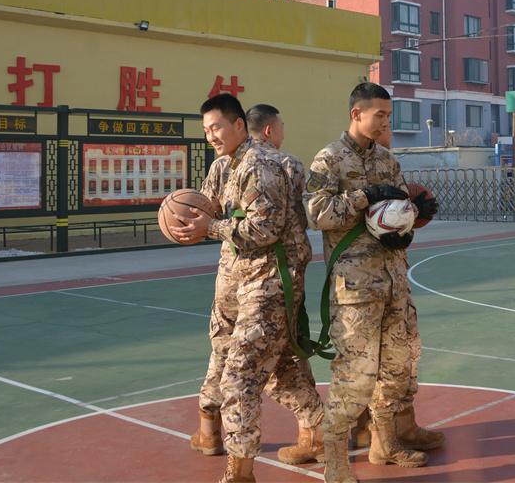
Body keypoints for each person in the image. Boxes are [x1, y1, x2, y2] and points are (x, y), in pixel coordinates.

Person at [303, 83, 439, 483]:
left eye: (388, 116)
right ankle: (335, 463)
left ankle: (385, 444)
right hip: (356, 289)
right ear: (356, 114)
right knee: (355, 377)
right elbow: (318, 215)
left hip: (394, 282)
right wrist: (363, 196)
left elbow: (396, 212)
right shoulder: (329, 158)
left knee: (397, 370)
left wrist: (408, 226)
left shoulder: (387, 160)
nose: (384, 122)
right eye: (379, 115)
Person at [174, 93, 297, 483]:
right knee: (225, 353)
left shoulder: (260, 166)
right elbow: (208, 205)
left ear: (239, 125)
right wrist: (184, 217)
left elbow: (265, 228)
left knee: (240, 375)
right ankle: (210, 431)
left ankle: (241, 470)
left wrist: (209, 227)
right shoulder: (221, 166)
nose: (211, 136)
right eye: (206, 130)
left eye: (217, 127)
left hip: (266, 279)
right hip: (233, 277)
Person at [245, 103, 325, 465]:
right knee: (284, 353)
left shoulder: (232, 165)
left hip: (262, 276)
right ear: (269, 130)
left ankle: (318, 427)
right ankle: (317, 429)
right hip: (284, 272)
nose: (283, 132)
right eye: (281, 127)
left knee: (255, 363)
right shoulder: (290, 163)